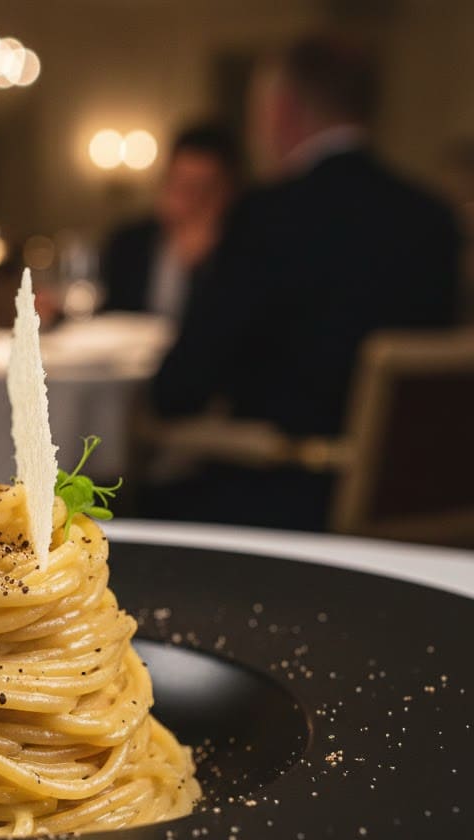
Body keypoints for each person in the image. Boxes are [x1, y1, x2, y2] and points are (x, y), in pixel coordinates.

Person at [148, 33, 462, 531]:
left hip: (282, 498)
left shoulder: (266, 215)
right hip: (420, 509)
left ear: (282, 108)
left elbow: (181, 390)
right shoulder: (434, 218)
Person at [102, 123, 241, 322]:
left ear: (228, 191)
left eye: (204, 189)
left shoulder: (245, 249)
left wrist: (201, 266)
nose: (191, 200)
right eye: (182, 185)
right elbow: (105, 309)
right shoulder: (130, 240)